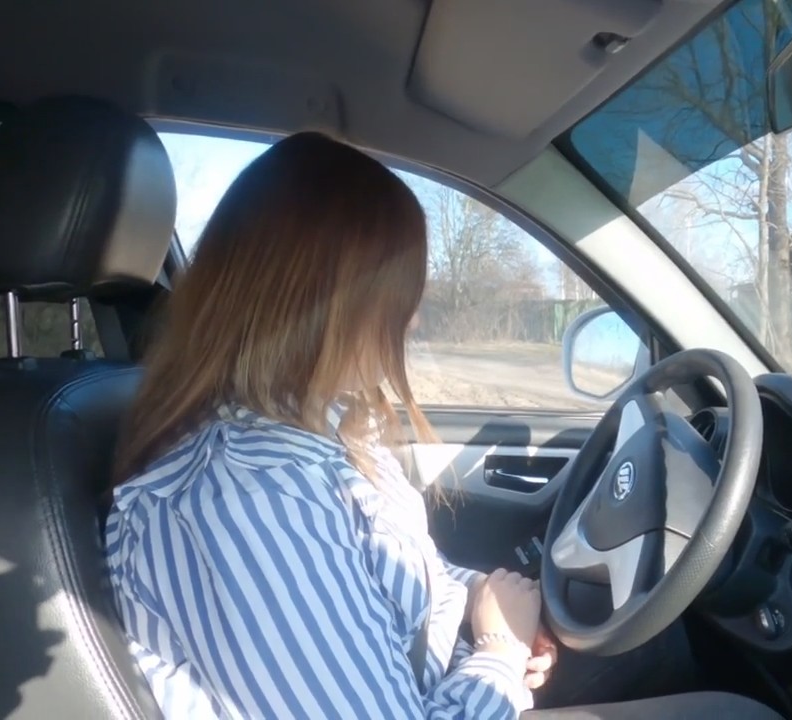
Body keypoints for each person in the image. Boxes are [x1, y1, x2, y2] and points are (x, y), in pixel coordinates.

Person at [105, 131, 552, 719]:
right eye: (398, 300)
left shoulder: (326, 427)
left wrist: (482, 601)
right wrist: (499, 653)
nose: (411, 323)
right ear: (325, 304)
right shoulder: (253, 501)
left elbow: (402, 574)